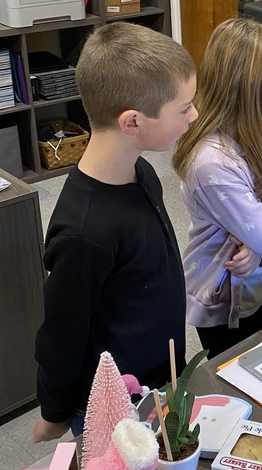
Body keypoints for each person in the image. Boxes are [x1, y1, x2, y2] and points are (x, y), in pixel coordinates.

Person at [33, 22, 197, 443]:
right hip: (111, 403)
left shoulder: (140, 171)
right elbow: (61, 332)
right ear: (132, 122)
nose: (194, 115)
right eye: (184, 108)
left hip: (156, 377)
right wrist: (54, 411)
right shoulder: (83, 232)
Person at [173, 19, 262, 360]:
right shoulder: (212, 162)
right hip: (221, 292)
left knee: (250, 353)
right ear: (252, 89)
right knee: (229, 367)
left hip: (256, 278)